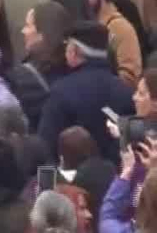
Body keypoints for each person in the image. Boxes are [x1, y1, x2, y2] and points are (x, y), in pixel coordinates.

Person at [39, 21, 133, 162]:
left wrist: (48, 183)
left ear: (75, 51)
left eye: (67, 46)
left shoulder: (61, 92)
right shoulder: (126, 91)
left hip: (73, 181)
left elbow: (46, 147)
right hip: (120, 178)